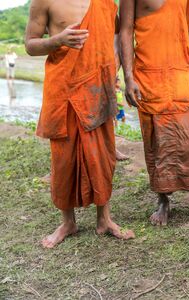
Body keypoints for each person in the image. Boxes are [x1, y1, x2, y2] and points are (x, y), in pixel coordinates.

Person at [25, 0, 135, 248]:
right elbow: (30, 45)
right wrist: (57, 40)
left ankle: (104, 219)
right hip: (63, 87)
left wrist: (114, 63)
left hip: (97, 86)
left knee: (102, 156)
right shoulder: (43, 1)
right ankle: (68, 222)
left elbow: (117, 32)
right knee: (63, 159)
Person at [120, 0, 189, 226]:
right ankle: (163, 201)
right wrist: (128, 77)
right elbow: (125, 32)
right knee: (157, 143)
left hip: (180, 74)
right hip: (149, 75)